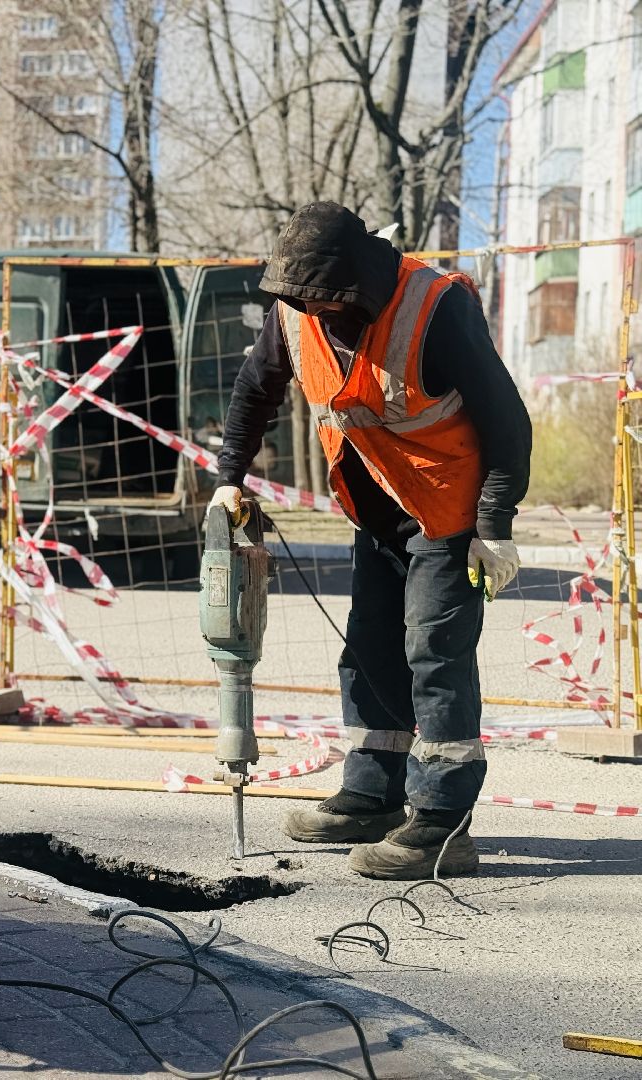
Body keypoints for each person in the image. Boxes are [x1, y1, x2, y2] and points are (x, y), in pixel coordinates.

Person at [211, 202, 531, 879]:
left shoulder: (435, 307)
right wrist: (227, 479)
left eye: (325, 298)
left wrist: (495, 527)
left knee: (434, 654)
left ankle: (442, 826)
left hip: (450, 517)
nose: (314, 310)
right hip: (377, 510)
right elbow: (251, 395)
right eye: (303, 299)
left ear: (357, 281)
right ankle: (372, 794)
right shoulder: (296, 313)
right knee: (368, 650)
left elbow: (508, 423)